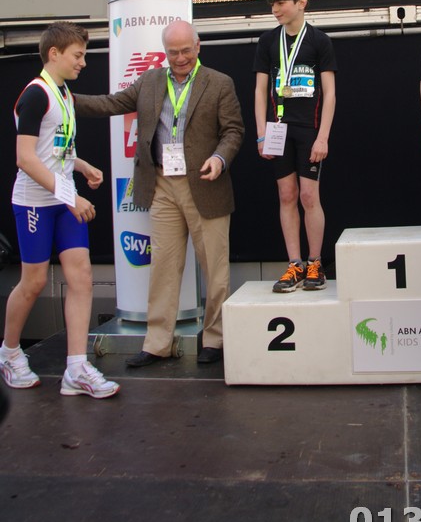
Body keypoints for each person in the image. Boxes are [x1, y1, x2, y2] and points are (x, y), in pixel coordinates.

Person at [74, 20, 244, 367]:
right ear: (165, 52)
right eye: (173, 52)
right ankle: (157, 343)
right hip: (162, 184)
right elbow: (111, 103)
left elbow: (233, 131)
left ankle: (216, 338)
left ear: (198, 47)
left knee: (215, 268)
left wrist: (219, 158)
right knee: (163, 266)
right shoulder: (150, 80)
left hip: (205, 184)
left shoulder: (219, 83)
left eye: (185, 51)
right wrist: (65, 98)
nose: (180, 58)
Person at [0, 21, 119, 399]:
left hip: (64, 198)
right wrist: (70, 196)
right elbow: (25, 159)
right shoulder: (36, 95)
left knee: (81, 276)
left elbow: (55, 150)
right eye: (78, 56)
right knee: (33, 281)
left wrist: (82, 166)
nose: (83, 62)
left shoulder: (65, 93)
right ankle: (9, 353)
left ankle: (76, 367)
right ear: (54, 54)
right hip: (35, 203)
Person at [254, 0, 336, 293]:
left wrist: (323, 136)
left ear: (301, 3)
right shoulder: (267, 42)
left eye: (281, 2)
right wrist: (261, 133)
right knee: (286, 195)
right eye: (272, 3)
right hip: (278, 130)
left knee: (308, 196)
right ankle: (295, 264)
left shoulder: (319, 41)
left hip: (309, 130)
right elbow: (260, 91)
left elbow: (330, 94)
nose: (275, 9)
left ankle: (315, 262)